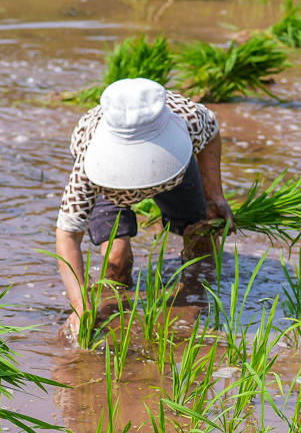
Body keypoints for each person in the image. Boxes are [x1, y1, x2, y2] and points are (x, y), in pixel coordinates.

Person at [54, 78, 232, 339]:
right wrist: (80, 306)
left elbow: (212, 135)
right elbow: (67, 235)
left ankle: (195, 301)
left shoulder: (189, 118)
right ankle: (116, 318)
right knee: (117, 261)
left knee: (202, 243)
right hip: (110, 182)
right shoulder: (89, 155)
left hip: (174, 174)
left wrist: (214, 194)